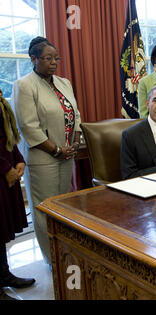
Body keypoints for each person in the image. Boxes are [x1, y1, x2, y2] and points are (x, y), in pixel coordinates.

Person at [12, 37, 82, 265]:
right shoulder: (24, 85)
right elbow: (28, 126)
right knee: (44, 210)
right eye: (48, 58)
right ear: (33, 59)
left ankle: (64, 252)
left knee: (62, 206)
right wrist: (56, 150)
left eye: (56, 58)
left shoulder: (64, 82)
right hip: (43, 158)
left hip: (66, 154)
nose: (54, 62)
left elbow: (75, 114)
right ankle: (52, 260)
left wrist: (75, 141)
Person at [0, 95, 36, 300]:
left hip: (7, 170)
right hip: (2, 171)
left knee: (1, 229)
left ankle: (4, 274)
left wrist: (19, 159)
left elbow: (7, 134)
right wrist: (6, 168)